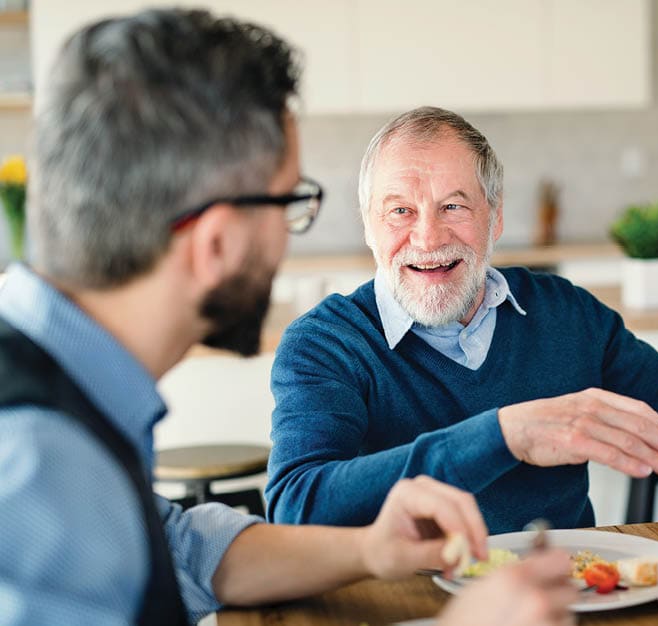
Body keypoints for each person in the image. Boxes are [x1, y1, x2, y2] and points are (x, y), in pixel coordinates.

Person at [0, 10, 578, 626]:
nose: (287, 238)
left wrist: (367, 548)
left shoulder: (66, 390)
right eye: (290, 205)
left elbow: (182, 550)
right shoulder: (37, 459)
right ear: (216, 243)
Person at [265, 106, 658, 533]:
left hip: (563, 592)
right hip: (405, 601)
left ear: (495, 218)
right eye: (400, 211)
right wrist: (505, 435)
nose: (428, 237)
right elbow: (298, 505)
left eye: (453, 206)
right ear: (368, 226)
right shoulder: (325, 344)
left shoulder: (566, 313)